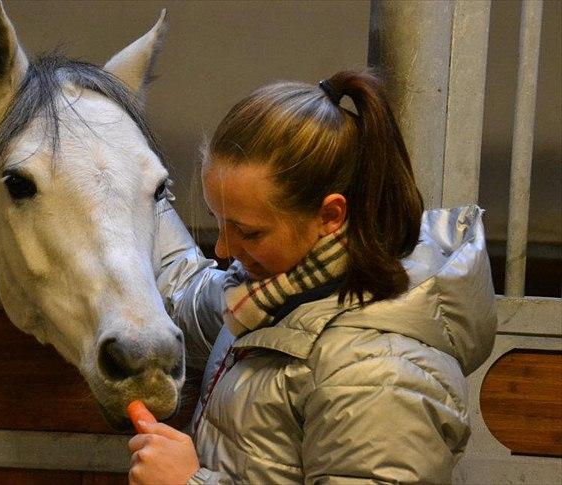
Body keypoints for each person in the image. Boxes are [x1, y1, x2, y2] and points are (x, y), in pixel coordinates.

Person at [128, 70, 497, 484]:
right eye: (219, 221)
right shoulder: (272, 293)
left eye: (248, 231)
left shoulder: (379, 371)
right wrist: (133, 189)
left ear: (330, 215)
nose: (223, 249)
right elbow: (184, 296)